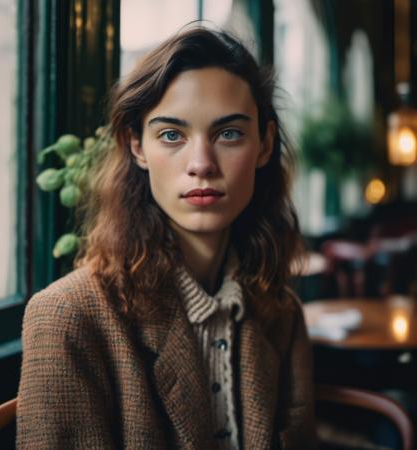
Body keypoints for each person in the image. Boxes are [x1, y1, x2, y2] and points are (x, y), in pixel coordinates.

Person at [17, 26, 317, 450]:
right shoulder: (67, 316)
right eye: (171, 135)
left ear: (265, 145)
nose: (201, 164)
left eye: (228, 133)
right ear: (137, 146)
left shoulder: (281, 313)